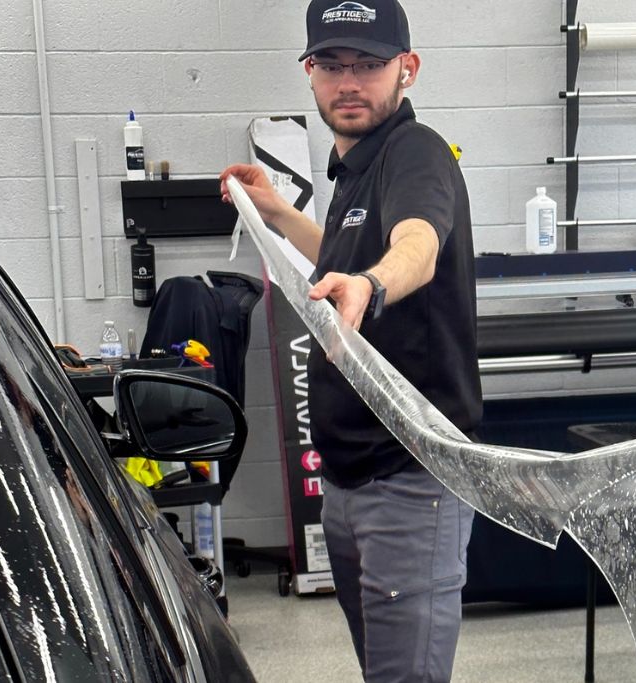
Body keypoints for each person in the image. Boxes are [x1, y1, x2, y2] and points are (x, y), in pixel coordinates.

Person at [220, 1, 482, 679]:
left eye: (368, 64)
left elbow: (416, 243)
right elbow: (341, 254)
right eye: (332, 64)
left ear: (408, 69)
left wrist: (374, 284)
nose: (349, 81)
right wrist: (278, 212)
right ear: (309, 73)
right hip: (349, 479)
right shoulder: (355, 167)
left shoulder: (415, 153)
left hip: (410, 482)